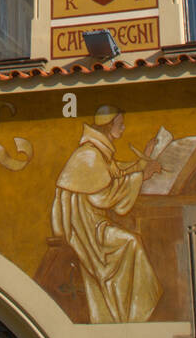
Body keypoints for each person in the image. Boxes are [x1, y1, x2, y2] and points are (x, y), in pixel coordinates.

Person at [51, 107, 162, 324]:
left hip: (94, 224)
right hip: (88, 231)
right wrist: (141, 176)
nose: (123, 127)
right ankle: (133, 314)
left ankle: (130, 311)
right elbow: (105, 196)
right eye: (120, 123)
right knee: (132, 242)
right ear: (109, 125)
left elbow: (116, 172)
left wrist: (144, 161)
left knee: (132, 241)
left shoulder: (98, 153)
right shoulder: (89, 155)